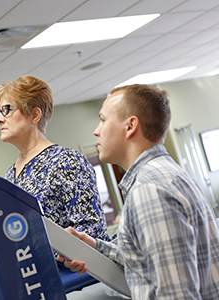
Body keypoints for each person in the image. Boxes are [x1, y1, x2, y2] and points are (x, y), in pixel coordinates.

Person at [59, 84, 219, 299]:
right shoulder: (167, 174)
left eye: (103, 120)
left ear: (130, 126)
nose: (96, 130)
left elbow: (177, 294)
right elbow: (146, 257)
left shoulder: (149, 189)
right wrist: (96, 247)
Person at [0, 74, 110, 241]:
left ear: (34, 115)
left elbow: (92, 230)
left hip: (65, 266)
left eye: (6, 110)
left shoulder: (66, 161)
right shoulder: (10, 175)